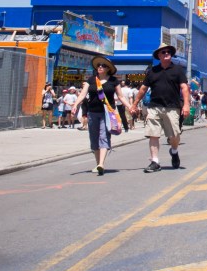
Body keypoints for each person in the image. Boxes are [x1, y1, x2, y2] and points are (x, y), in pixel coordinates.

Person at [130, 43, 190, 173]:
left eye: (168, 51)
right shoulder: (152, 71)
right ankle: (155, 161)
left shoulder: (178, 70)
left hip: (172, 107)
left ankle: (174, 151)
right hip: (154, 107)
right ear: (159, 55)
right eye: (163, 52)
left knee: (174, 135)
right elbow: (143, 89)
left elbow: (184, 88)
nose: (166, 53)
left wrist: (186, 104)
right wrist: (134, 104)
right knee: (153, 134)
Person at [72, 56, 131, 175]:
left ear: (108, 69)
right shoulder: (91, 80)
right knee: (94, 138)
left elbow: (120, 96)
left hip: (108, 113)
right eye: (99, 65)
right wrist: (75, 104)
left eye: (103, 65)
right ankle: (97, 163)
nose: (100, 67)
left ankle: (101, 164)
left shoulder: (113, 81)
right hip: (92, 112)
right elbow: (83, 95)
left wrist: (130, 107)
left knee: (104, 136)